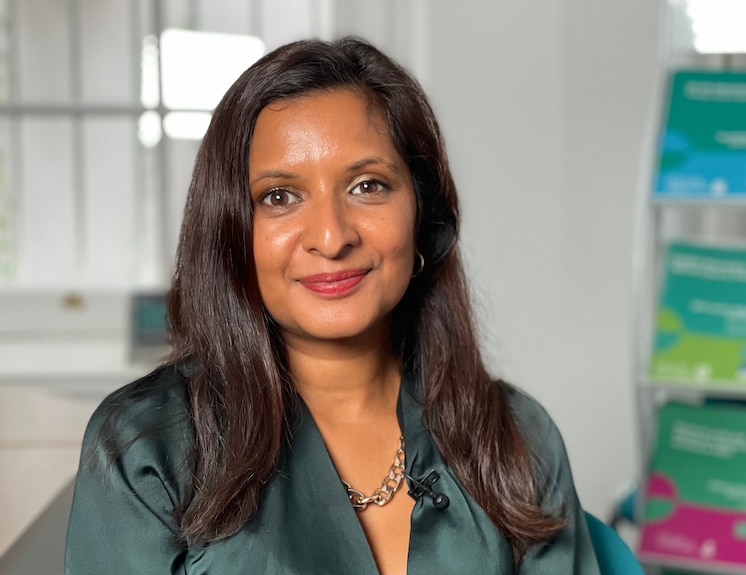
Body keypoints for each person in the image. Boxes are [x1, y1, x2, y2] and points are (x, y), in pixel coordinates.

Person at [65, 37, 600, 574]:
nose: (330, 235)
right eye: (279, 196)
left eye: (368, 186)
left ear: (422, 213)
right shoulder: (143, 448)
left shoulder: (518, 435)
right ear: (231, 233)